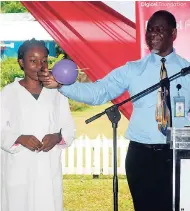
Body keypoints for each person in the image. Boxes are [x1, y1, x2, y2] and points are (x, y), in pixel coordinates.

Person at [38, 10, 190, 211]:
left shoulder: (187, 70)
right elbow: (99, 92)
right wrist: (61, 86)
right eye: (150, 29)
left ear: (173, 33)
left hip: (180, 153)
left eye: (160, 29)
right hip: (142, 155)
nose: (153, 33)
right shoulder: (133, 69)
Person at [1, 38, 76, 211]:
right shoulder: (8, 93)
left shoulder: (57, 92)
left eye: (44, 61)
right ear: (21, 62)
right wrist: (19, 138)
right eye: (33, 61)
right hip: (19, 166)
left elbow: (68, 127)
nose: (40, 66)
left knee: (47, 203)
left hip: (47, 166)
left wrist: (57, 137)